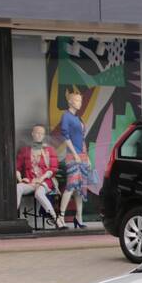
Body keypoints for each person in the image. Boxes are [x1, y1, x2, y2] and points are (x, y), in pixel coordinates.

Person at [58, 91, 90, 229]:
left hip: (81, 155)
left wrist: (86, 156)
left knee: (79, 189)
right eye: (76, 100)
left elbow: (82, 139)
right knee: (71, 187)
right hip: (73, 156)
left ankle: (79, 217)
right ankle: (60, 217)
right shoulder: (66, 116)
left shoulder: (79, 118)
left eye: (80, 100)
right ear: (70, 101)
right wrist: (75, 153)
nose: (79, 103)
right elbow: (65, 136)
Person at [15, 124, 59, 223]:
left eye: (41, 133)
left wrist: (42, 178)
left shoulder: (49, 150)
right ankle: (12, 217)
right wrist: (20, 179)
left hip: (45, 182)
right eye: (37, 133)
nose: (39, 135)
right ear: (32, 134)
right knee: (18, 187)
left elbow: (53, 168)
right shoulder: (25, 151)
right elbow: (17, 168)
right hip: (30, 182)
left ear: (44, 136)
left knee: (39, 193)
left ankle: (55, 218)